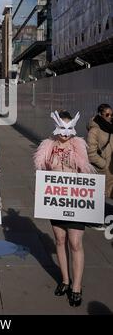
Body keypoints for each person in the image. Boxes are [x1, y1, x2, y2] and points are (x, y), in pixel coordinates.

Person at [34, 110, 95, 307]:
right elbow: (42, 171)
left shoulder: (78, 146)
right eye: (62, 127)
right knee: (60, 240)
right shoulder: (48, 147)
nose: (65, 132)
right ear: (55, 126)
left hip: (74, 200)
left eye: (69, 128)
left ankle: (77, 287)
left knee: (75, 243)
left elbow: (85, 172)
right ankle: (65, 280)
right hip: (55, 200)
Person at [87, 104, 113, 199]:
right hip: (103, 171)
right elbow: (91, 153)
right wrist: (104, 165)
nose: (110, 117)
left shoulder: (111, 128)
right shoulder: (94, 130)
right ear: (100, 115)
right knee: (101, 199)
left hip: (111, 170)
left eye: (112, 114)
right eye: (107, 115)